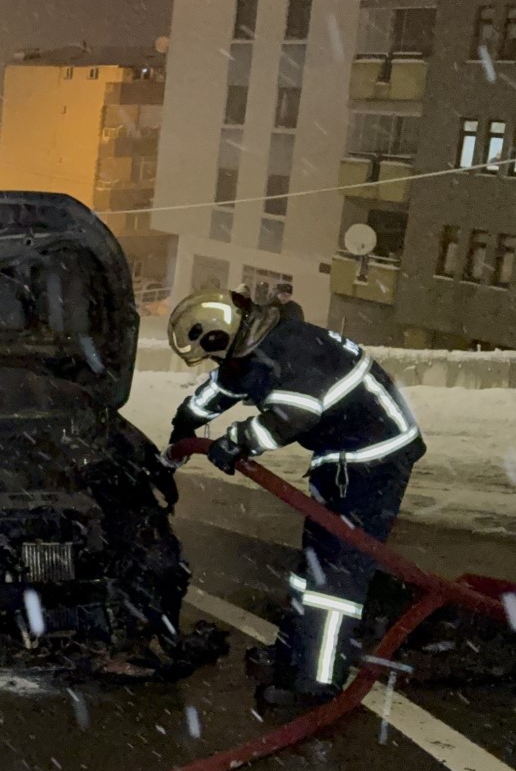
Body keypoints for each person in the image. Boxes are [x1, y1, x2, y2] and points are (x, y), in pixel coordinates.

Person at [164, 288, 425, 707]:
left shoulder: (294, 348)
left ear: (221, 333)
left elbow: (292, 416)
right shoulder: (253, 348)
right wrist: (186, 421)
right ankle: (296, 653)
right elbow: (223, 386)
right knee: (313, 567)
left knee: (335, 577)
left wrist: (236, 442)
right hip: (340, 455)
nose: (216, 361)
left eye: (213, 351)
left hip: (374, 459)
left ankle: (316, 683)